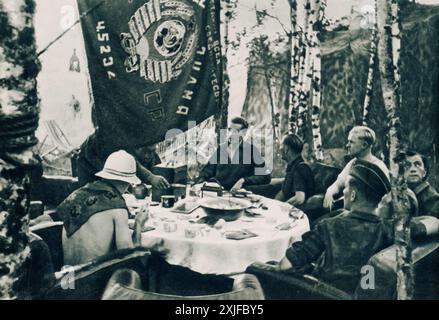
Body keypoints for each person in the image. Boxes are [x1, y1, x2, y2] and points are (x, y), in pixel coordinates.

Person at [278, 160, 391, 293]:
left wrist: (296, 250)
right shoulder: (389, 230)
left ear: (353, 195)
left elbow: (285, 266)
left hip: (322, 294)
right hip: (360, 294)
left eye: (346, 188)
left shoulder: (329, 226)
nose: (343, 192)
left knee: (252, 274)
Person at [58, 150, 150, 266]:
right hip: (93, 279)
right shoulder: (117, 207)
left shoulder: (76, 194)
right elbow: (128, 258)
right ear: (127, 181)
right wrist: (138, 223)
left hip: (67, 278)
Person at [323, 126, 389, 210]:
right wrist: (330, 192)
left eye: (351, 142)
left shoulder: (378, 167)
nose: (347, 145)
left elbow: (381, 198)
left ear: (364, 145)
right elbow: (339, 183)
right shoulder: (353, 163)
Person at [197, 116, 271, 191]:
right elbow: (206, 172)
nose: (231, 134)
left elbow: (265, 177)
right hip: (215, 192)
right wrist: (200, 182)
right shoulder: (222, 149)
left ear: (244, 133)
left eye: (235, 131)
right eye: (229, 130)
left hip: (236, 195)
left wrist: (243, 180)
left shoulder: (251, 151)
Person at [75, 132, 170, 189]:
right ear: (136, 148)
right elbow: (128, 163)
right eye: (147, 151)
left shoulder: (149, 153)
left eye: (153, 151)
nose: (149, 155)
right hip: (91, 172)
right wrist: (150, 177)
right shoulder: (108, 140)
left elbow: (157, 172)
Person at [246, 134, 314, 206]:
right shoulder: (294, 166)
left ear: (286, 149)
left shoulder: (300, 168)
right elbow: (285, 188)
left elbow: (299, 198)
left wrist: (278, 207)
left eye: (281, 147)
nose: (279, 150)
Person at [403, 151, 439, 218]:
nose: (412, 169)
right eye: (407, 165)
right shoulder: (402, 195)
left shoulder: (433, 199)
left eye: (417, 165)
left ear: (424, 172)